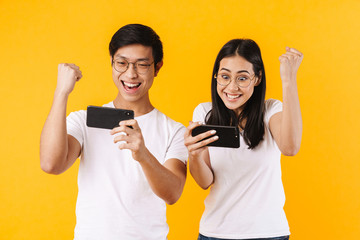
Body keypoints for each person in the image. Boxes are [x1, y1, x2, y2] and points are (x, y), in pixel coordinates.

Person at [40, 24, 188, 240]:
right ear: (111, 63)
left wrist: (143, 155)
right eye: (122, 63)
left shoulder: (174, 131)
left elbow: (173, 194)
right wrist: (61, 92)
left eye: (142, 65)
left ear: (157, 68)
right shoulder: (84, 121)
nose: (130, 74)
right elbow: (51, 164)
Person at [184, 39, 303, 240]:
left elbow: (290, 147)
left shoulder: (270, 110)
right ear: (216, 77)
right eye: (224, 77)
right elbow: (205, 182)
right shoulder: (205, 112)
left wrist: (289, 80)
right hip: (215, 233)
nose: (231, 87)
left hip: (268, 233)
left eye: (242, 78)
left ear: (257, 79)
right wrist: (193, 155)